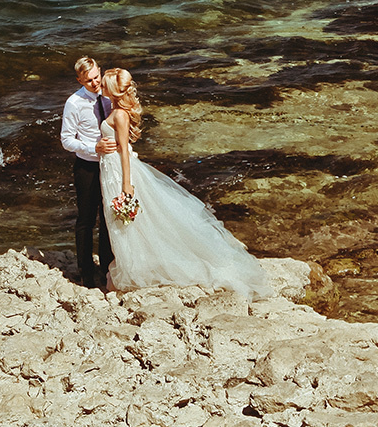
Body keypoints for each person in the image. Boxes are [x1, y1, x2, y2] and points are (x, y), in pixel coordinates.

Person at [98, 67, 272, 298]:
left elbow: (124, 153)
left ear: (113, 90)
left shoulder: (119, 115)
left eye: (104, 84)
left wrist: (126, 185)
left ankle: (134, 269)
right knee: (123, 222)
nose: (100, 86)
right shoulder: (115, 109)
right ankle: (130, 264)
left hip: (119, 172)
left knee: (126, 222)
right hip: (110, 169)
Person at [60, 56, 117, 288]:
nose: (95, 83)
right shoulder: (74, 103)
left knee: (107, 217)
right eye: (88, 81)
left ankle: (106, 268)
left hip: (110, 165)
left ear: (99, 71)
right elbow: (66, 140)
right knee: (86, 219)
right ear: (79, 80)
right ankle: (85, 273)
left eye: (96, 77)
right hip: (87, 166)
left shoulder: (110, 94)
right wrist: (93, 147)